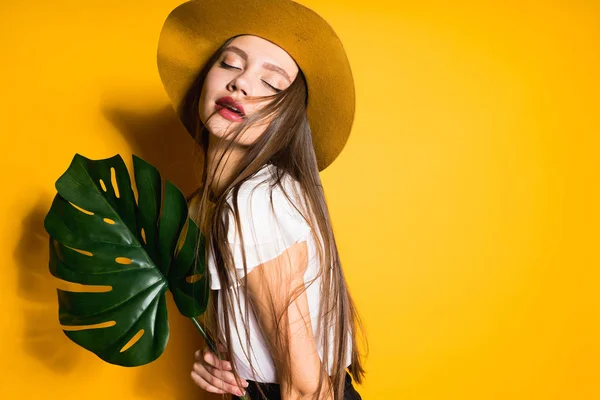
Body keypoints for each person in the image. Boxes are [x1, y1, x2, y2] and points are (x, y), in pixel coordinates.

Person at [156, 1, 368, 399]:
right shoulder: (204, 205)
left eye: (271, 84)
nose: (240, 84)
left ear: (286, 117)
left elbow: (307, 389)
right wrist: (231, 358)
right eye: (230, 65)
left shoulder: (255, 200)